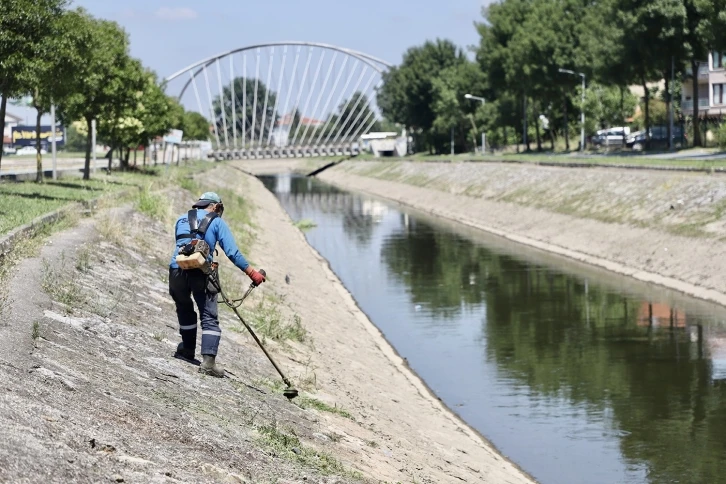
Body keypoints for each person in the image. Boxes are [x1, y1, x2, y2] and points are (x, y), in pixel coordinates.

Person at [169, 191, 265, 377]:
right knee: (209, 316)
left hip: (176, 270)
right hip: (201, 272)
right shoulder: (217, 222)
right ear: (214, 206)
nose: (219, 211)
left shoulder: (181, 218)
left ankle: (187, 349)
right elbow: (233, 253)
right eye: (219, 208)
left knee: (184, 308)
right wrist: (252, 273)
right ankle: (208, 363)